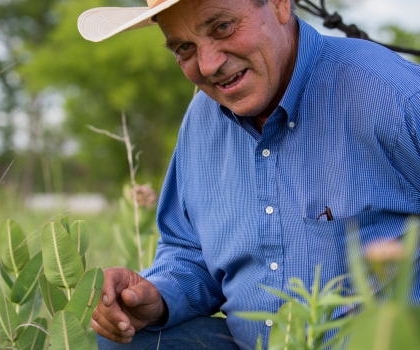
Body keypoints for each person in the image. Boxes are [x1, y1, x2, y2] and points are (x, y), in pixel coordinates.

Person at [77, 0, 420, 349]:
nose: (209, 65)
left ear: (280, 4)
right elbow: (190, 251)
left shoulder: (395, 98)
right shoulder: (201, 120)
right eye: (184, 48)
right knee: (116, 342)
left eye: (222, 27)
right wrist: (154, 296)